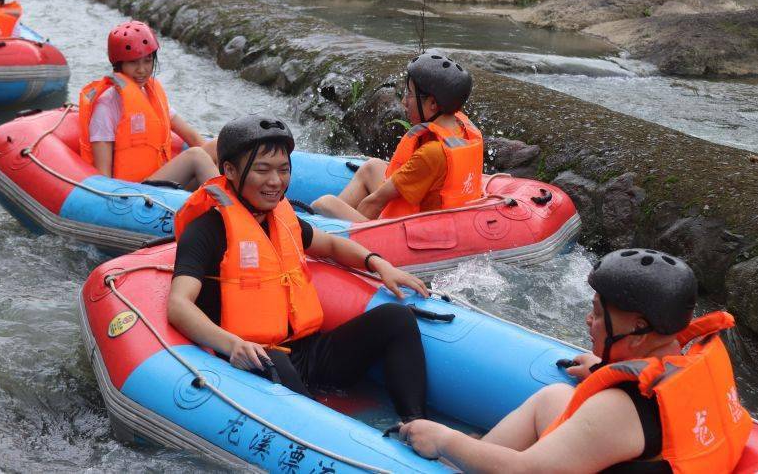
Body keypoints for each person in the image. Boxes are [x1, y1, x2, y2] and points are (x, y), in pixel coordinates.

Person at [168, 115, 431, 421]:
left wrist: (379, 264)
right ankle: (334, 439)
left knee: (396, 318)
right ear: (230, 170)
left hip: (309, 352)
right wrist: (233, 345)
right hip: (255, 358)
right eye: (262, 170)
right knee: (273, 363)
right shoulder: (208, 230)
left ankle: (417, 424)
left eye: (283, 170)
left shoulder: (282, 218)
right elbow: (178, 304)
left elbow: (331, 245)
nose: (275, 181)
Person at [401, 249, 752, 472]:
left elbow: (526, 472)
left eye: (599, 314)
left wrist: (445, 439)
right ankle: (467, 459)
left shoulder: (618, 408)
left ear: (639, 328)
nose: (588, 320)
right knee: (552, 397)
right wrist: (604, 370)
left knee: (467, 449)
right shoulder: (686, 359)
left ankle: (449, 461)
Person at [313, 51, 483, 221]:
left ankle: (327, 232)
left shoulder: (432, 153)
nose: (404, 102)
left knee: (324, 203)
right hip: (442, 217)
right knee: (373, 167)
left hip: (412, 228)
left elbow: (374, 202)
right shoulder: (462, 127)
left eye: (409, 94)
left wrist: (353, 231)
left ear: (432, 104)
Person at [78, 21, 219, 188]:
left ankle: (240, 198)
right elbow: (103, 174)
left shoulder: (151, 95)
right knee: (195, 156)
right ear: (118, 64)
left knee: (221, 144)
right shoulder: (106, 106)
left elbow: (193, 137)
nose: (142, 70)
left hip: (161, 179)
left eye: (147, 60)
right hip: (135, 193)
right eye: (133, 62)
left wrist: (215, 163)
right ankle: (232, 210)